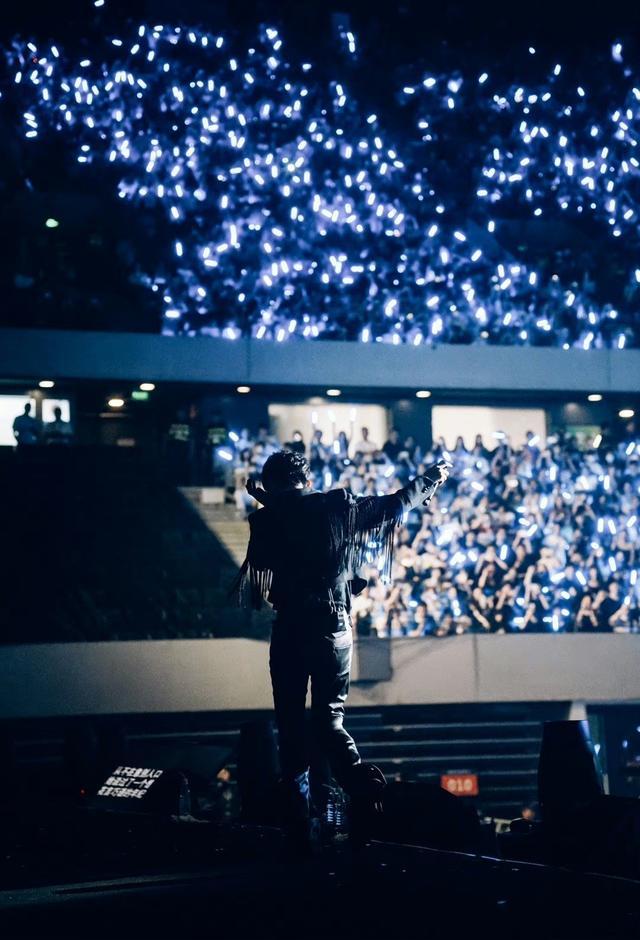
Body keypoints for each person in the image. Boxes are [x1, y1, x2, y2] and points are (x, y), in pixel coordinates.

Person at [235, 449, 450, 850]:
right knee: (328, 722)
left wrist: (269, 504)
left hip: (289, 629)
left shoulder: (266, 520)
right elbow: (393, 505)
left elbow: (269, 553)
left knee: (290, 726)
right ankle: (365, 792)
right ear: (307, 479)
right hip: (331, 625)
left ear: (273, 484)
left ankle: (299, 821)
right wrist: (429, 481)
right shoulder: (336, 507)